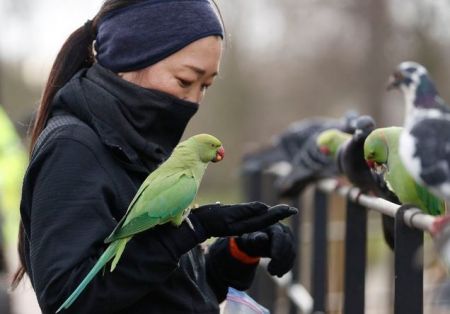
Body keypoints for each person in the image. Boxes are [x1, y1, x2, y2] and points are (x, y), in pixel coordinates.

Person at [13, 1, 298, 313]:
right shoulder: (74, 148)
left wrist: (235, 252)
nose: (194, 100)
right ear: (128, 58)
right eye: (185, 80)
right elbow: (69, 302)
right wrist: (191, 230)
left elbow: (169, 289)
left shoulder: (143, 147)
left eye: (206, 86)